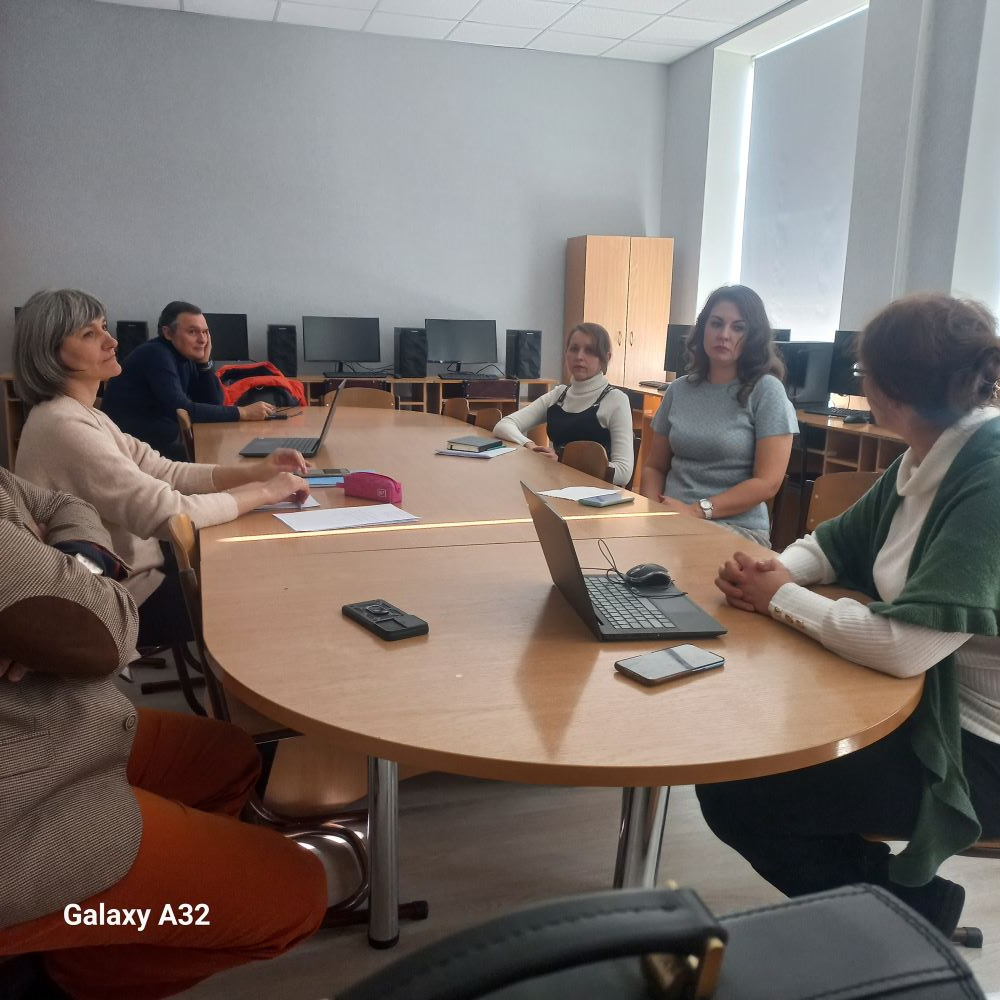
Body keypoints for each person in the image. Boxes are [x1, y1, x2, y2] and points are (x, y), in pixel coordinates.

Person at [699, 293, 1000, 935]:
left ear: (889, 391)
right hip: (931, 704)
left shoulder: (990, 478)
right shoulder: (927, 454)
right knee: (743, 752)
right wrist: (773, 572)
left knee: (742, 790)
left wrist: (777, 597)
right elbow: (834, 543)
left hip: (980, 747)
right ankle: (907, 906)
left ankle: (909, 915)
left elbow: (904, 648)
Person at [0, 467, 327, 999]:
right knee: (299, 894)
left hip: (55, 715)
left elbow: (64, 503)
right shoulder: (63, 426)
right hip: (22, 808)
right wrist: (63, 594)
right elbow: (109, 626)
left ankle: (98, 932)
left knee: (228, 756)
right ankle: (66, 975)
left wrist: (65, 575)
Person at [12, 289, 311, 648]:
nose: (111, 341)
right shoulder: (64, 426)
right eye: (89, 334)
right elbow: (169, 513)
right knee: (269, 591)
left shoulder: (84, 415)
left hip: (139, 570)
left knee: (251, 566)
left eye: (104, 327)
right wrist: (265, 492)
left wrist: (256, 472)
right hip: (117, 598)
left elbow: (165, 471)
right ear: (51, 353)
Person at [639, 285, 797, 546]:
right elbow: (654, 467)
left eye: (738, 327)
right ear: (703, 329)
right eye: (716, 323)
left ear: (753, 336)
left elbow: (768, 483)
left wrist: (695, 511)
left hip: (737, 529)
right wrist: (652, 513)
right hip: (673, 521)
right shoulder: (678, 390)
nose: (724, 335)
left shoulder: (767, 391)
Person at [101, 301, 275, 461]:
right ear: (168, 333)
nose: (202, 340)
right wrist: (242, 413)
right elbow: (183, 409)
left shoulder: (184, 356)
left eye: (205, 332)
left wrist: (204, 365)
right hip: (131, 450)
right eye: (192, 332)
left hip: (157, 442)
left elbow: (213, 403)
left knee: (232, 457)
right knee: (231, 460)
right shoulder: (156, 355)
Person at [493, 323, 635, 485]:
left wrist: (562, 462)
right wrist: (531, 446)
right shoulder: (558, 395)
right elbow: (504, 425)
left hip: (596, 494)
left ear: (606, 358)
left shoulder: (616, 400)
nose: (579, 356)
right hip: (557, 485)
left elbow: (623, 472)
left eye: (589, 350)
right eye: (574, 349)